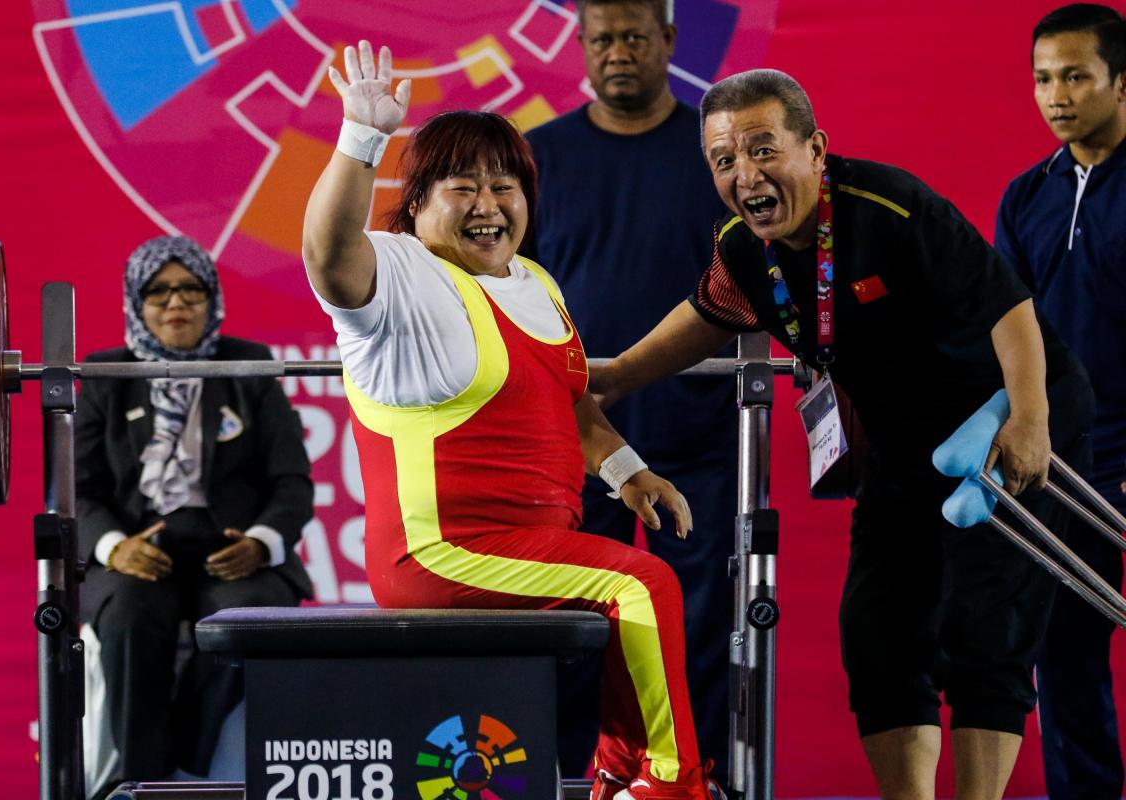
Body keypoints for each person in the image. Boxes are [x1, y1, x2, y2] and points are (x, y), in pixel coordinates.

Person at [592, 69, 1095, 800]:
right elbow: (707, 315)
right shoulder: (743, 248)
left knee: (985, 625)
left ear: (815, 150)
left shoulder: (888, 208)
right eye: (725, 160)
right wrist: (617, 375)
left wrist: (1029, 420)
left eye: (763, 150)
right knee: (879, 633)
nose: (745, 174)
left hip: (1003, 411)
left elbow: (1007, 305)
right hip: (902, 443)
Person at [302, 40, 720, 800]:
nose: (490, 205)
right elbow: (328, 253)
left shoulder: (531, 281)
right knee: (639, 585)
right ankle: (671, 784)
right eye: (464, 187)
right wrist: (361, 138)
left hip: (529, 543)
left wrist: (627, 470)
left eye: (506, 186)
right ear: (419, 202)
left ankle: (620, 773)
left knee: (627, 585)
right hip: (438, 554)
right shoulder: (399, 275)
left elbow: (567, 401)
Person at [523, 0, 736, 779]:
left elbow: (750, 282)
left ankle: (697, 778)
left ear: (669, 43)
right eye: (602, 38)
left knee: (703, 628)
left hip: (702, 442)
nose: (618, 52)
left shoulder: (716, 155)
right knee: (579, 630)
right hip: (575, 445)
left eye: (635, 37)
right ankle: (579, 782)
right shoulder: (536, 157)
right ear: (580, 46)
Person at [75, 235, 314, 796]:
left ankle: (190, 763)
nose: (176, 302)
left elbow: (292, 481)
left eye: (191, 288)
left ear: (213, 298)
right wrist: (114, 547)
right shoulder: (104, 375)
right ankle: (138, 781)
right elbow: (78, 490)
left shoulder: (247, 364)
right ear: (136, 302)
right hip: (141, 552)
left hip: (232, 553)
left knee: (247, 621)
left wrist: (261, 541)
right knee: (131, 618)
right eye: (158, 291)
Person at [994, 5, 1126, 797]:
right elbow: (1009, 332)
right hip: (1063, 465)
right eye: (1044, 78)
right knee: (1065, 656)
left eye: (1076, 76)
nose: (1056, 96)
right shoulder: (1027, 195)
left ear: (1121, 81)